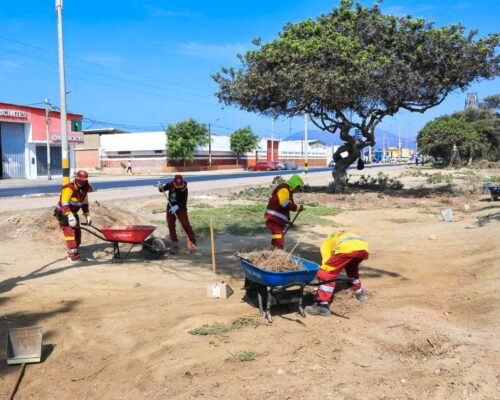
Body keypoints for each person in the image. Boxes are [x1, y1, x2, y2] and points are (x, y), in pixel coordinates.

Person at [305, 231, 369, 316]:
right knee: (352, 269)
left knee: (325, 273)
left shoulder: (326, 243)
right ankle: (360, 293)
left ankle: (322, 306)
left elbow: (326, 263)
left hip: (347, 250)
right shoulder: (341, 235)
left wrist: (328, 271)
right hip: (363, 250)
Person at [53, 170, 93, 262]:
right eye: (80, 180)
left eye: (83, 180)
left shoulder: (85, 189)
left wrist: (87, 215)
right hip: (63, 213)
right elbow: (65, 203)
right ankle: (73, 257)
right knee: (70, 234)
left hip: (73, 213)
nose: (81, 182)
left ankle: (74, 251)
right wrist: (70, 216)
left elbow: (85, 204)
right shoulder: (69, 188)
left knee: (77, 234)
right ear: (76, 179)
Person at [264, 174, 305, 249]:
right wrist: (298, 207)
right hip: (272, 219)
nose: (297, 190)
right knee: (279, 239)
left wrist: (287, 220)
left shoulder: (288, 191)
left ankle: (272, 253)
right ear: (295, 184)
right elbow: (285, 204)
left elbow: (285, 209)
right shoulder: (284, 189)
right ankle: (278, 255)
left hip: (275, 219)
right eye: (298, 188)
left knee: (276, 238)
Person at [158, 175, 196, 253]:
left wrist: (177, 206)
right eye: (177, 185)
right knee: (170, 224)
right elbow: (162, 190)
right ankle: (174, 243)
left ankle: (192, 240)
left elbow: (184, 200)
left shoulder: (185, 188)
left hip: (181, 208)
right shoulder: (170, 184)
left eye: (180, 185)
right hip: (170, 207)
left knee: (185, 224)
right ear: (174, 182)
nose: (179, 187)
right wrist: (160, 187)